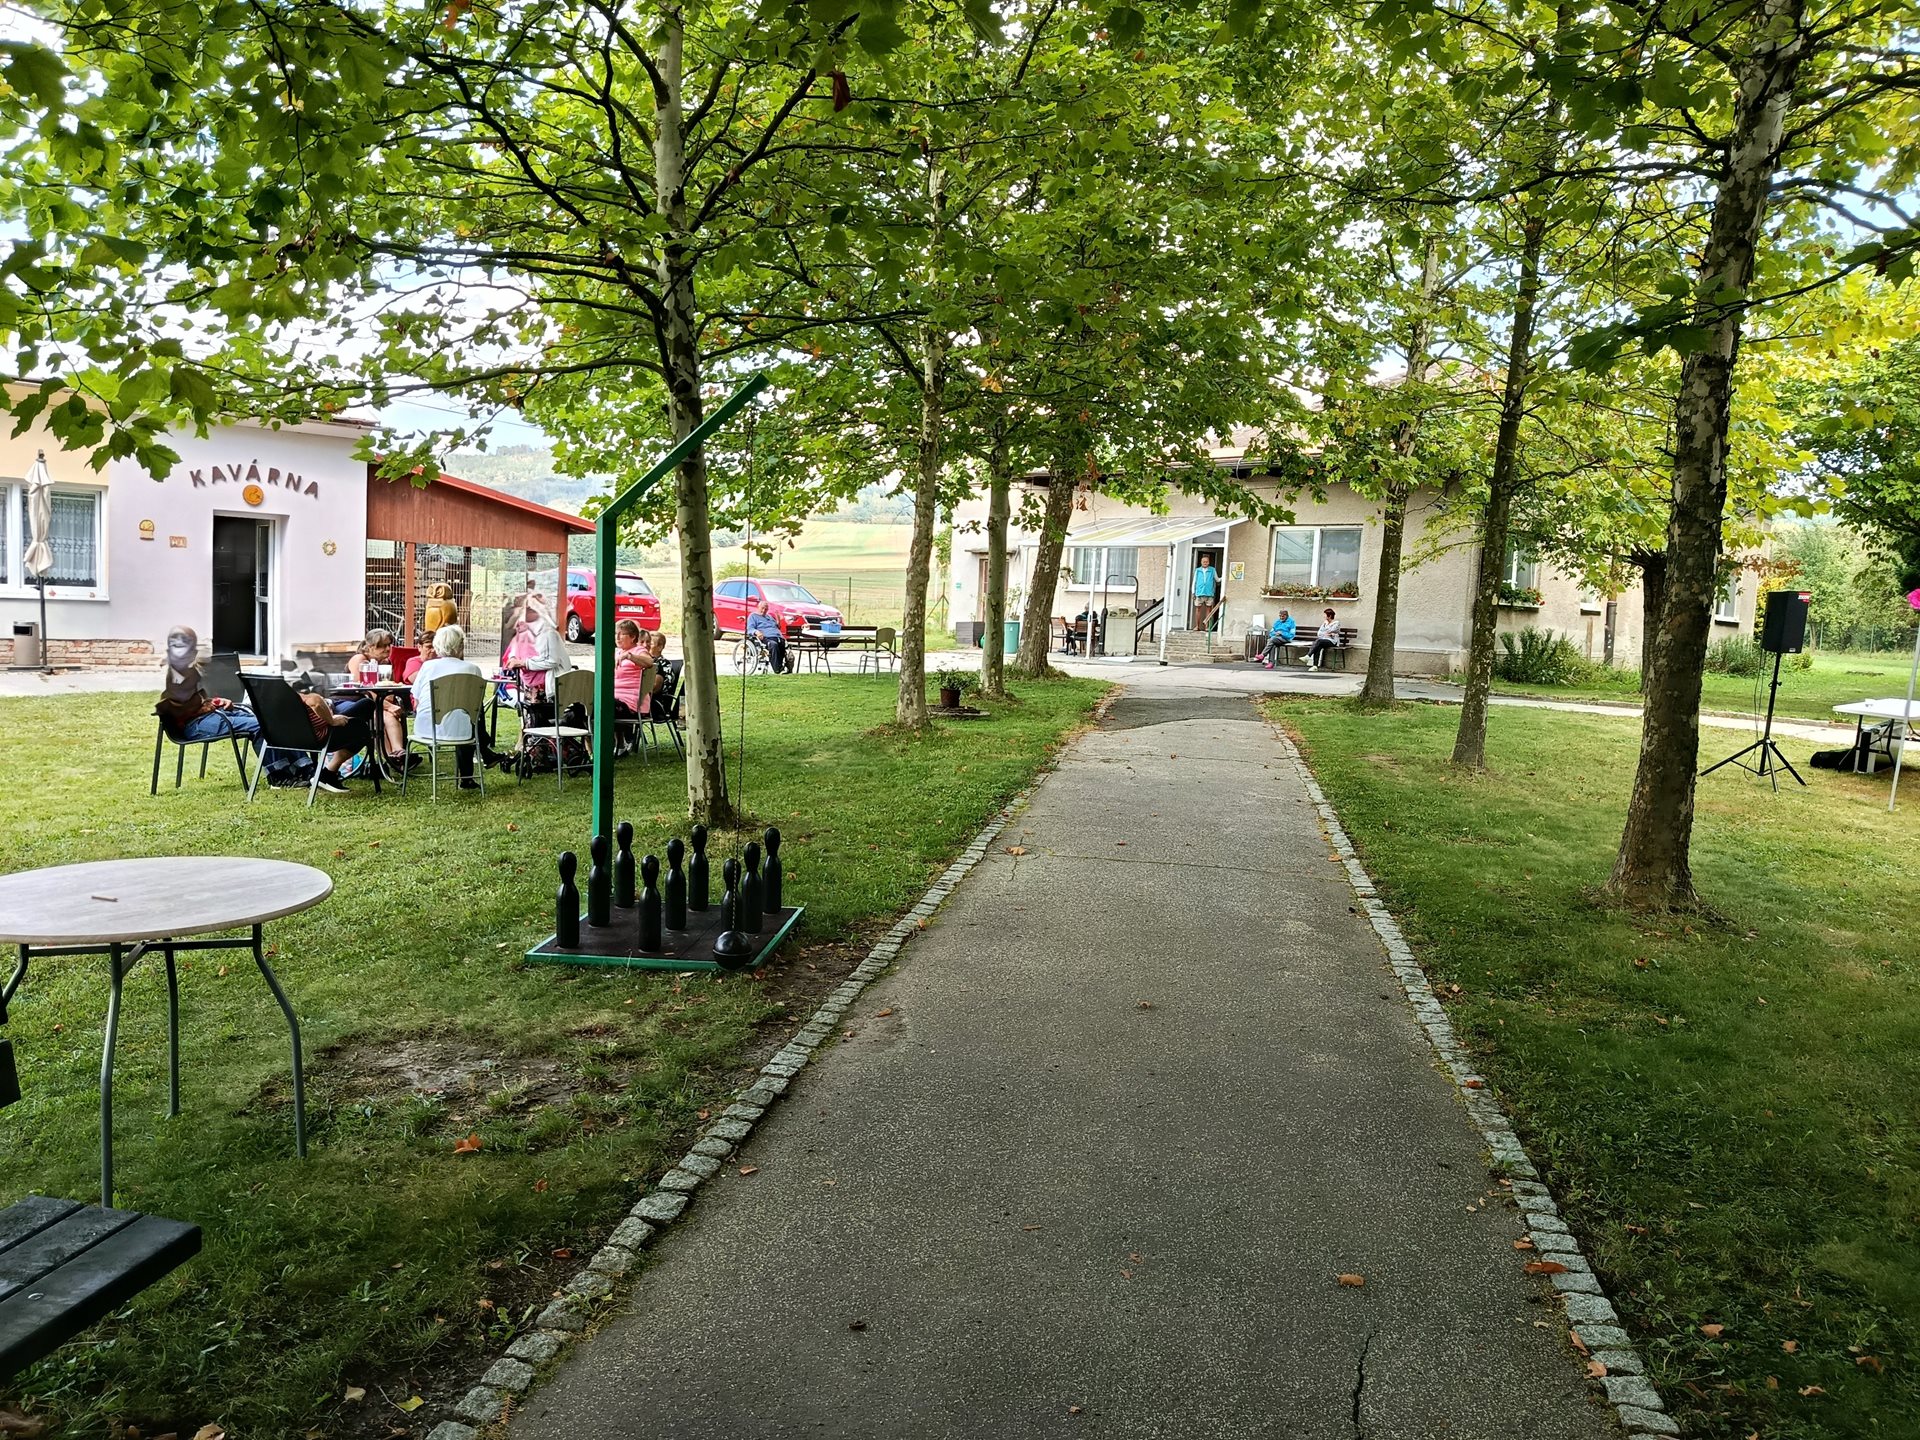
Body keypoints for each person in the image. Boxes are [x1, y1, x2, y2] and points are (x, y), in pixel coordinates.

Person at [410, 624, 505, 788]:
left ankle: (482, 757)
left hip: (425, 728)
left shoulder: (427, 667)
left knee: (465, 715)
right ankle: (470, 772)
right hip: (461, 731)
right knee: (469, 714)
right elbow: (475, 706)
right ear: (460, 646)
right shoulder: (472, 669)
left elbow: (416, 700)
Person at [339, 629, 416, 770]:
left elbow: (390, 691)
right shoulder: (359, 659)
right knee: (381, 715)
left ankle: (397, 753)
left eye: (389, 645)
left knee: (387, 715)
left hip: (376, 703)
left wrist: (388, 705)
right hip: (355, 703)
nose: (387, 649)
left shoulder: (385, 663)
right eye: (382, 646)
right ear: (370, 646)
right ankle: (395, 758)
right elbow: (364, 689)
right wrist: (389, 706)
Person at [747, 600, 791, 674]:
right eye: (762, 608)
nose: (764, 610)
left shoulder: (769, 617)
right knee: (773, 645)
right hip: (765, 637)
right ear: (758, 607)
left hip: (777, 637)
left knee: (783, 644)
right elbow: (750, 629)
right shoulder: (753, 616)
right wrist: (756, 632)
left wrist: (778, 620)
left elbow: (776, 627)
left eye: (766, 609)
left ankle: (783, 666)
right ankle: (777, 669)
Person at [1193, 554, 1219, 630]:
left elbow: (1217, 579)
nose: (1205, 563)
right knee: (1198, 609)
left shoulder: (1212, 570)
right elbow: (1194, 582)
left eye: (1206, 561)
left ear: (1209, 562)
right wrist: (1193, 592)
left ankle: (1206, 627)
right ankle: (1197, 626)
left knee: (1208, 610)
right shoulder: (1198, 570)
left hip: (1209, 592)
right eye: (1204, 561)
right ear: (1201, 562)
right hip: (1199, 592)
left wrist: (1224, 577)